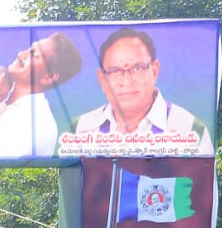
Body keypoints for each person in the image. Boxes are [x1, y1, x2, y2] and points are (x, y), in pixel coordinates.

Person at [71, 27, 213, 155]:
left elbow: (204, 184)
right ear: (102, 79)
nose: (126, 81)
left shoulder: (190, 130)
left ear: (154, 71)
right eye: (115, 71)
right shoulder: (79, 129)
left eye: (137, 68)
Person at [0, 34, 82, 158]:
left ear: (48, 77)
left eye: (34, 55)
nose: (21, 54)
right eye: (29, 49)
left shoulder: (36, 124)